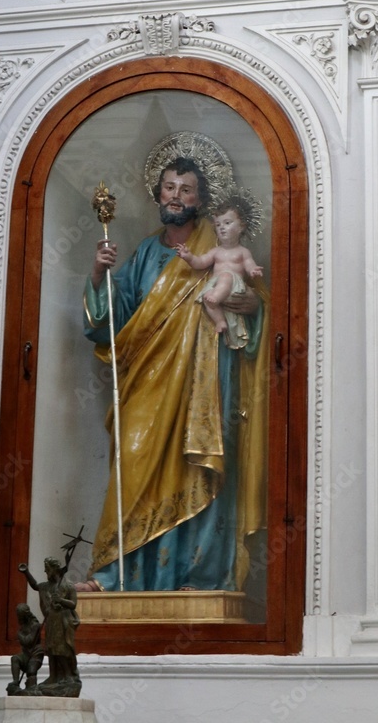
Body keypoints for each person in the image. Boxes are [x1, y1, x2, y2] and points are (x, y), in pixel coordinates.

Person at [80, 148, 269, 594]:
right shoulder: (146, 253)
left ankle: (200, 577)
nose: (176, 196)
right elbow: (114, 325)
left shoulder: (221, 248)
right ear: (157, 194)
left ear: (200, 198)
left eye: (186, 189)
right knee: (135, 459)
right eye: (169, 188)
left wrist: (253, 306)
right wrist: (97, 275)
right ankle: (118, 576)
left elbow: (255, 305)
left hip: (207, 382)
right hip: (147, 383)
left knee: (200, 466)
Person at [176, 198, 264, 345]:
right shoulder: (216, 251)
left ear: (241, 226)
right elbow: (201, 263)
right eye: (218, 224)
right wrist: (188, 257)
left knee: (225, 276)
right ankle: (220, 321)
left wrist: (253, 270)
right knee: (206, 297)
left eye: (227, 223)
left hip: (233, 286)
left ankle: (215, 298)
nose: (222, 227)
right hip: (216, 286)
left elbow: (249, 264)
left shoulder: (242, 252)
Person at [18, 558, 81, 695]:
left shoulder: (68, 586)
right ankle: (53, 677)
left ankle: (68, 676)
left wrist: (61, 600)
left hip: (63, 622)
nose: (45, 571)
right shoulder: (46, 586)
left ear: (55, 569)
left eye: (47, 568)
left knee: (62, 649)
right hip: (51, 621)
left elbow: (73, 604)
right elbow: (35, 586)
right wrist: (26, 572)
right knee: (51, 649)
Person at [7, 603, 44, 694]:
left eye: (19, 616)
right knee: (15, 658)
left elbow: (29, 641)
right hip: (26, 654)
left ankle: (31, 688)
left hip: (35, 653)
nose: (18, 618)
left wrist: (19, 634)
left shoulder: (35, 625)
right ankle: (16, 682)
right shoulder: (23, 626)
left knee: (31, 672)